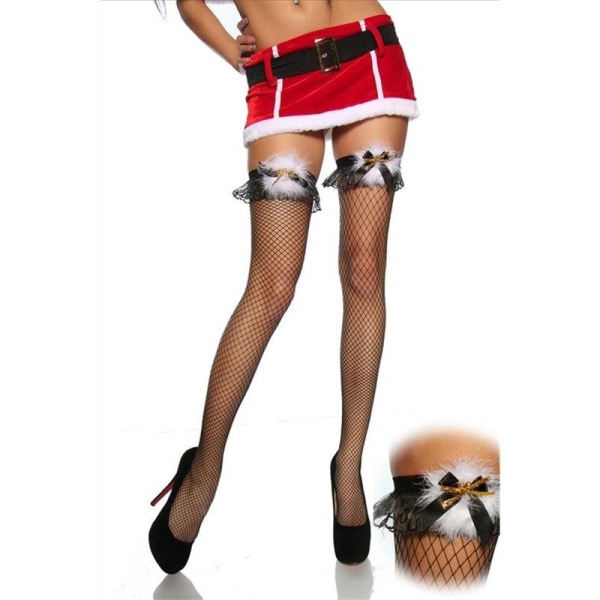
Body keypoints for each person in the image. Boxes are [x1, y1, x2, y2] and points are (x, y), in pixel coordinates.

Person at [148, 0, 418, 574]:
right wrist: (233, 53)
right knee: (271, 285)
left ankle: (349, 464)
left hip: (369, 60)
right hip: (281, 84)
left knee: (364, 269)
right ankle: (203, 470)